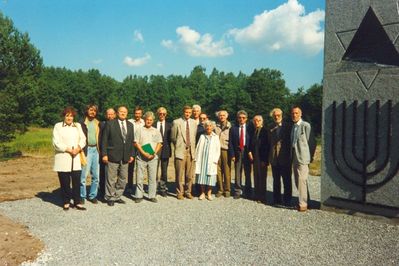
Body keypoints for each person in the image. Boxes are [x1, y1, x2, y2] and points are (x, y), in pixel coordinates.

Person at [52, 106, 86, 211]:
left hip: (75, 157)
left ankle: (77, 202)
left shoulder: (77, 126)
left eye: (71, 116)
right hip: (63, 157)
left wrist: (78, 148)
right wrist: (68, 149)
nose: (69, 118)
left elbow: (83, 139)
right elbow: (56, 142)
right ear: (64, 116)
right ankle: (66, 201)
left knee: (76, 181)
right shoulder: (58, 126)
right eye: (67, 116)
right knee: (65, 181)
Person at [101, 106, 135, 206]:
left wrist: (132, 154)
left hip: (125, 156)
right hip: (112, 155)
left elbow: (131, 141)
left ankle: (117, 196)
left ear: (127, 113)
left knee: (123, 178)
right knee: (111, 178)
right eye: (121, 111)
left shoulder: (130, 125)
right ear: (117, 113)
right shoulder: (110, 123)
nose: (123, 113)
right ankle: (110, 197)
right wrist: (104, 154)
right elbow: (104, 140)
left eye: (125, 112)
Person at [290, 106, 316, 212]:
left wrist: (309, 157)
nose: (294, 115)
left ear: (300, 114)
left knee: (302, 180)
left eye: (296, 113)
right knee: (297, 180)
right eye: (292, 113)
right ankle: (307, 200)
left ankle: (303, 204)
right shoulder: (293, 126)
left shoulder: (306, 125)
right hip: (294, 157)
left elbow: (311, 142)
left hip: (303, 157)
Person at [134, 111, 163, 203]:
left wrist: (154, 153)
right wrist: (143, 152)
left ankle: (152, 195)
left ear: (153, 121)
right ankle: (139, 195)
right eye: (147, 119)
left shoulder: (156, 131)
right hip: (141, 157)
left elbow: (159, 143)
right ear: (145, 120)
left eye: (151, 120)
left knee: (152, 177)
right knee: (139, 177)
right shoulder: (139, 130)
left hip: (153, 157)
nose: (149, 121)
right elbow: (136, 143)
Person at [171, 105, 197, 199]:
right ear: (183, 112)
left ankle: (188, 191)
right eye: (186, 112)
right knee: (179, 174)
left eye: (190, 113)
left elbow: (194, 137)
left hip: (191, 151)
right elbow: (173, 137)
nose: (188, 114)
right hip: (180, 150)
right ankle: (179, 192)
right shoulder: (177, 122)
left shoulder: (194, 123)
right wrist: (179, 146)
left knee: (189, 174)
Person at [268, 108, 292, 206]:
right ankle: (276, 199)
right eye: (274, 116)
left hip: (285, 157)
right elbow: (269, 142)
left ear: (282, 115)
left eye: (278, 115)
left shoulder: (288, 126)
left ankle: (287, 200)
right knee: (276, 180)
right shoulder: (270, 127)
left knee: (287, 180)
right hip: (274, 158)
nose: (276, 117)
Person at [79, 104, 101, 204]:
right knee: (83, 176)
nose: (93, 112)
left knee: (96, 176)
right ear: (87, 111)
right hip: (86, 150)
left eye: (94, 111)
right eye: (91, 110)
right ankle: (82, 196)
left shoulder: (98, 123)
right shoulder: (81, 123)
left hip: (95, 150)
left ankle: (92, 196)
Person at [229, 110, 252, 199]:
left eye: (243, 118)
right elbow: (230, 142)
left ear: (246, 119)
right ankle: (237, 191)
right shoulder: (233, 128)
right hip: (237, 151)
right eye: (239, 118)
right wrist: (232, 155)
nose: (241, 119)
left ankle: (248, 191)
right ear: (237, 118)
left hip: (247, 151)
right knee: (238, 172)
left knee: (248, 172)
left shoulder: (250, 128)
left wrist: (251, 152)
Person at [195, 121, 221, 200]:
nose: (208, 127)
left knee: (210, 177)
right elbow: (198, 147)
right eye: (207, 126)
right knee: (202, 176)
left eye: (210, 126)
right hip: (202, 159)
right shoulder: (202, 136)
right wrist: (196, 158)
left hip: (211, 160)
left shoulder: (215, 137)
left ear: (213, 127)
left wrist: (216, 159)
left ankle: (209, 193)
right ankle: (202, 193)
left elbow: (218, 149)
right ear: (205, 127)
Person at [248, 115, 269, 203]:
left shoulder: (265, 131)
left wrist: (265, 160)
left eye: (259, 120)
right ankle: (256, 195)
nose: (257, 122)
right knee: (256, 176)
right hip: (255, 157)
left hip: (262, 158)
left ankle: (262, 196)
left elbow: (267, 146)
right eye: (255, 120)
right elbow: (251, 144)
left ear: (262, 121)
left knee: (262, 178)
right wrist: (249, 152)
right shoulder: (253, 131)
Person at [99, 108, 116, 199]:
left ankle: (112, 192)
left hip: (115, 153)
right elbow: (101, 139)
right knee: (103, 173)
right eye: (108, 114)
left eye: (111, 114)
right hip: (104, 152)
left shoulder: (117, 124)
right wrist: (103, 153)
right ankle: (102, 192)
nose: (110, 116)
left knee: (112, 175)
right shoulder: (102, 124)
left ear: (115, 115)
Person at [127, 106, 144, 194]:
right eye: (136, 113)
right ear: (134, 113)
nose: (137, 115)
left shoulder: (144, 122)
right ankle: (129, 186)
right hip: (131, 146)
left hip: (142, 146)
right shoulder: (129, 122)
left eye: (139, 113)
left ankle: (139, 186)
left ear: (141, 114)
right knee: (130, 167)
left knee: (141, 167)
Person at [215, 110, 232, 198]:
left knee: (226, 170)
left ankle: (227, 189)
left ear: (226, 116)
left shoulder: (230, 126)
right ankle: (220, 189)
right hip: (217, 150)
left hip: (226, 149)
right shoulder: (215, 126)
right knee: (218, 170)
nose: (222, 117)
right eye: (220, 115)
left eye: (223, 115)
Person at [155, 107, 172, 197]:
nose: (162, 115)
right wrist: (149, 151)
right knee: (154, 170)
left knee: (164, 171)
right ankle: (153, 188)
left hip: (165, 150)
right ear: (157, 114)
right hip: (154, 150)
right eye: (160, 113)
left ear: (166, 115)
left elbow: (172, 139)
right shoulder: (153, 124)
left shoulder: (170, 125)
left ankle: (163, 188)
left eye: (163, 114)